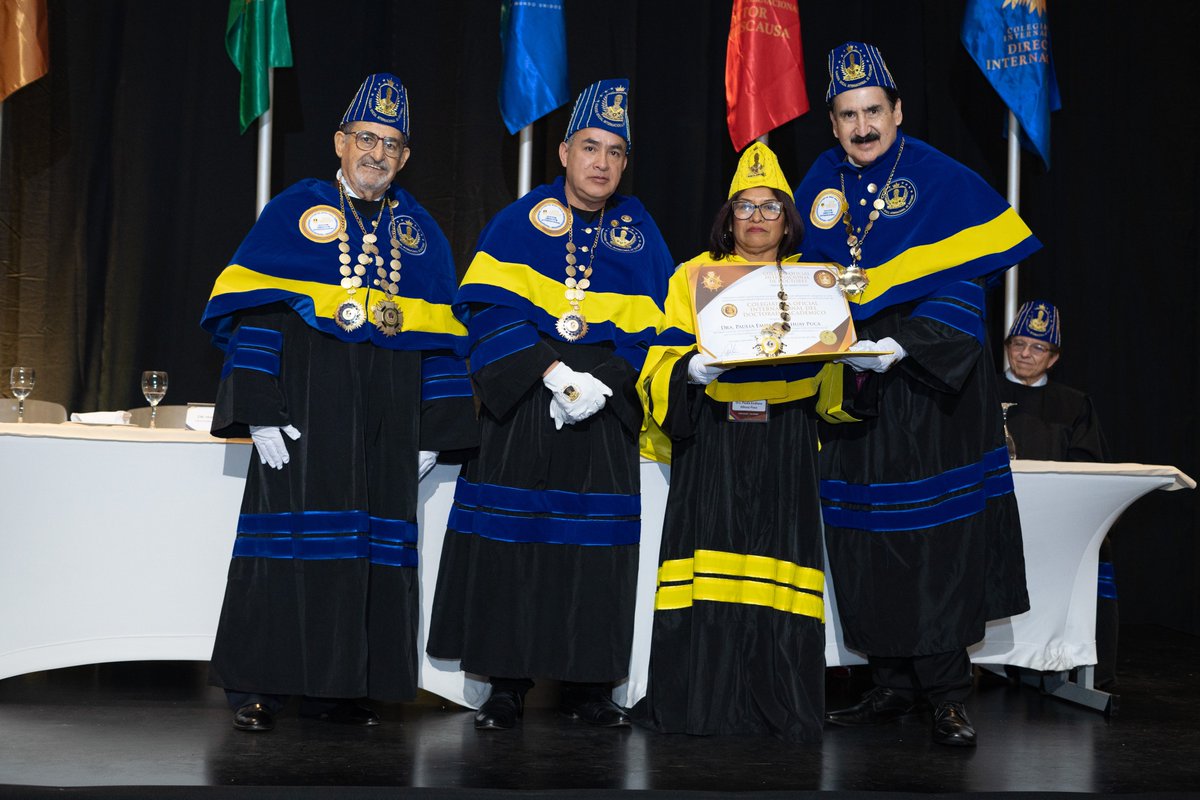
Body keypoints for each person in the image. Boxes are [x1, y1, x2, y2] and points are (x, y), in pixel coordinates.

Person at [200, 73, 476, 732]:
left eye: (391, 144)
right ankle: (258, 687)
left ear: (405, 158)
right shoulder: (297, 209)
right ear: (340, 142)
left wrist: (435, 430)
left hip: (386, 422)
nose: (377, 153)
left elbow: (442, 338)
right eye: (365, 139)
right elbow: (256, 314)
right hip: (303, 414)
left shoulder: (423, 233)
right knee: (287, 548)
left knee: (366, 554)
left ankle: (344, 688)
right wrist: (258, 403)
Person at [794, 42, 1042, 747]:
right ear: (834, 123)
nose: (863, 126)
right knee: (863, 537)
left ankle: (945, 694)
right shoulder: (819, 185)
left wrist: (906, 344)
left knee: (933, 542)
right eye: (848, 115)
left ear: (897, 112)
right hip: (854, 394)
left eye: (874, 111)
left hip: (931, 392)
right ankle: (889, 686)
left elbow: (966, 286)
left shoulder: (940, 177)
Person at [426, 79, 674, 731]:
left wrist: (608, 382)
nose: (601, 163)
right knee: (515, 543)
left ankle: (588, 688)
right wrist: (556, 373)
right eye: (590, 147)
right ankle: (506, 687)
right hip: (527, 408)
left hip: (604, 416)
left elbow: (664, 328)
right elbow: (485, 312)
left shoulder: (639, 231)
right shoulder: (521, 219)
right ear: (563, 152)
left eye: (615, 152)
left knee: (594, 550)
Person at [632, 142, 845, 742]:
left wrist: (857, 368)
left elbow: (831, 377)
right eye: (744, 207)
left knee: (782, 579)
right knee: (706, 574)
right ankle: (697, 701)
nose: (756, 218)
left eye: (770, 207)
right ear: (728, 217)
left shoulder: (813, 281)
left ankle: (781, 702)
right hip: (715, 441)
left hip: (788, 443)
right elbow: (659, 361)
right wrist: (686, 373)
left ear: (788, 217)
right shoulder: (691, 276)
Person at [998, 300, 1116, 688]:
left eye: (1037, 348)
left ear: (1053, 358)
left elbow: (1087, 462)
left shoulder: (1074, 404)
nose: (1025, 355)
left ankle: (1072, 663)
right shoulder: (981, 392)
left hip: (1053, 521)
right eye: (1018, 344)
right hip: (996, 513)